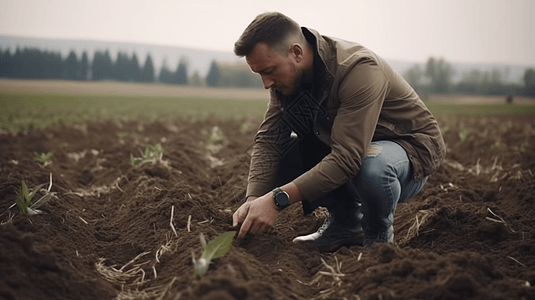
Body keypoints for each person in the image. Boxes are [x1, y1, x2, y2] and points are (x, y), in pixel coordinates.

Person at [232, 12, 445, 251]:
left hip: (405, 152)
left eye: (269, 70)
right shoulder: (287, 79)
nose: (266, 83)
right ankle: (345, 223)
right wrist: (253, 201)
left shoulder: (358, 69)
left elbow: (347, 158)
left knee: (372, 166)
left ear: (296, 52)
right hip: (353, 150)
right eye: (260, 73)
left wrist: (276, 200)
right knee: (281, 154)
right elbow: (269, 140)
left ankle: (378, 239)